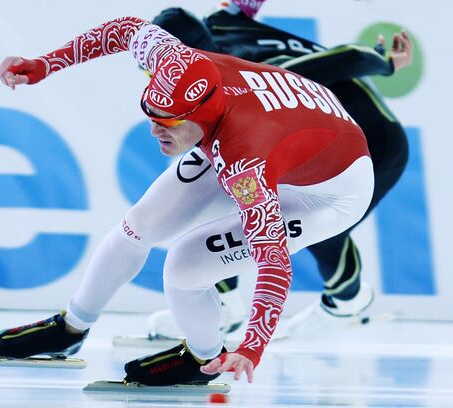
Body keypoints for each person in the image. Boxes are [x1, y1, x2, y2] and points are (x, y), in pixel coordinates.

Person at [0, 15, 375, 384]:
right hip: (277, 126)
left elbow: (272, 261)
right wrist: (46, 63)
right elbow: (124, 30)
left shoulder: (244, 162)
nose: (154, 129)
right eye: (150, 114)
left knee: (186, 265)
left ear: (199, 117)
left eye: (168, 122)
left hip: (332, 192)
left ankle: (204, 358)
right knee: (139, 225)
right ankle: (71, 327)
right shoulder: (175, 62)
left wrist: (252, 348)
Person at [146, 0, 412, 340]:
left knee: (318, 223)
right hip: (327, 136)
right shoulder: (221, 23)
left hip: (374, 142)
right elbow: (242, 6)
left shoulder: (249, 71)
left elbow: (345, 58)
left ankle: (347, 301)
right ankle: (224, 301)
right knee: (232, 190)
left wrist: (386, 63)